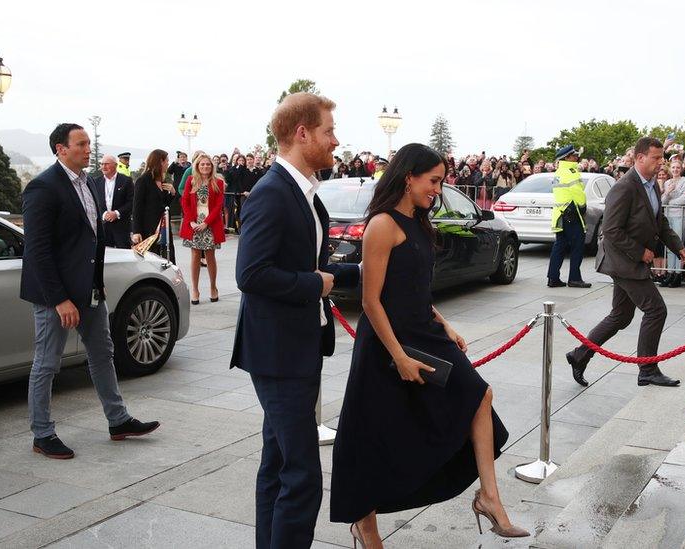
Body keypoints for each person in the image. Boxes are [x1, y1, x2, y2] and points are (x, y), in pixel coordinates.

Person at [330, 144, 528, 547]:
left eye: (441, 181)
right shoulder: (382, 224)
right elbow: (371, 301)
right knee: (370, 434)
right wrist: (398, 355)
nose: (438, 189)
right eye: (433, 180)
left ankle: (489, 498)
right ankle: (365, 527)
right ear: (409, 177)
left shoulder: (420, 221)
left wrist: (445, 323)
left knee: (479, 395)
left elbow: (414, 289)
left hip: (423, 331)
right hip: (387, 342)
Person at [231, 92, 360, 549]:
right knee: (303, 477)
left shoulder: (304, 193)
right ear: (302, 134)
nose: (336, 141)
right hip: (279, 356)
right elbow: (250, 273)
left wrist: (364, 272)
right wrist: (317, 285)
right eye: (328, 131)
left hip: (296, 349)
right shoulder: (271, 193)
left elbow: (311, 264)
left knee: (277, 466)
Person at [20, 123, 159, 459]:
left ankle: (118, 421)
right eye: (80, 143)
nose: (87, 149)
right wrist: (59, 299)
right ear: (60, 149)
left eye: (87, 143)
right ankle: (42, 433)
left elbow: (92, 241)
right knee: (47, 363)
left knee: (102, 353)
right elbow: (37, 250)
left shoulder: (90, 184)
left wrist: (96, 286)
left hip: (89, 291)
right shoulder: (43, 187)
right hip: (56, 297)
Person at [565, 137, 685, 387]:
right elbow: (611, 230)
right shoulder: (624, 187)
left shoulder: (653, 185)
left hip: (629, 261)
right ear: (639, 158)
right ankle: (647, 369)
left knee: (621, 316)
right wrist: (640, 252)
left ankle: (580, 355)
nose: (660, 163)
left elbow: (659, 222)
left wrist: (677, 246)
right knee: (656, 310)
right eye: (656, 158)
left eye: (662, 157)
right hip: (623, 261)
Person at [179, 153, 226, 304]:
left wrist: (206, 222)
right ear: (197, 167)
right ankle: (195, 289)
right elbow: (185, 201)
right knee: (195, 256)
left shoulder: (218, 182)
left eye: (208, 164)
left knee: (210, 256)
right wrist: (191, 221)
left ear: (212, 167)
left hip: (210, 223)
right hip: (193, 223)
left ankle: (213, 287)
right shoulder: (191, 181)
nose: (205, 166)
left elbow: (218, 206)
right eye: (202, 164)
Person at [546, 145, 591, 288]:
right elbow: (578, 192)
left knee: (559, 246)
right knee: (577, 245)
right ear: (566, 157)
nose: (576, 157)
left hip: (560, 213)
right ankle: (574, 278)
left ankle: (553, 278)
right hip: (572, 211)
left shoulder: (559, 171)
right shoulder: (572, 171)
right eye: (573, 155)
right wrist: (583, 206)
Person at [131, 149, 178, 261]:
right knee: (152, 261)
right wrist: (136, 231)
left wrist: (172, 193)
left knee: (168, 259)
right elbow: (137, 207)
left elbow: (164, 204)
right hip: (149, 230)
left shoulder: (162, 179)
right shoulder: (143, 180)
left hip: (163, 228)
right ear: (160, 162)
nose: (167, 163)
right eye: (166, 161)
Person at [659, 159, 685, 288]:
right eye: (673, 168)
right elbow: (662, 200)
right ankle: (670, 272)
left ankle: (678, 274)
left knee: (678, 245)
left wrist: (670, 202)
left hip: (680, 214)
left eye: (678, 167)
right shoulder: (667, 182)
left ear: (681, 169)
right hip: (668, 215)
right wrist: (667, 192)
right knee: (669, 246)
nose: (675, 170)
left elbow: (684, 198)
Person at [91, 154, 133, 248]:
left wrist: (117, 213)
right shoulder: (96, 182)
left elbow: (131, 202)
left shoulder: (126, 181)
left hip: (121, 228)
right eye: (102, 164)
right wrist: (104, 214)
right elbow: (93, 202)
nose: (103, 167)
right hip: (103, 228)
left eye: (106, 164)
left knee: (124, 257)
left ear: (115, 165)